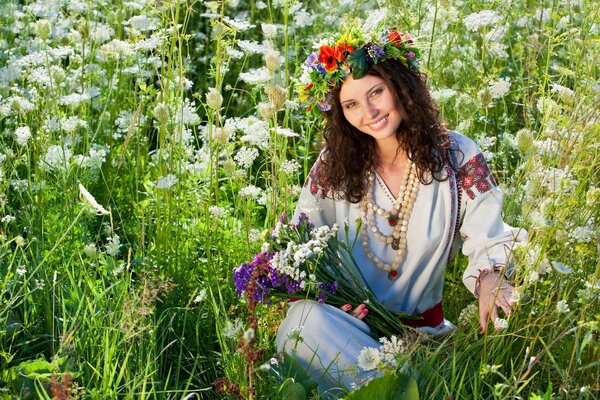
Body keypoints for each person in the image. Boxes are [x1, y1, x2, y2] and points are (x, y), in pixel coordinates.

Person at [275, 24, 526, 397]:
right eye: (352, 104)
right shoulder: (335, 164)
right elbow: (299, 245)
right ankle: (404, 389)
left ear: (400, 86)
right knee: (299, 323)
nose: (369, 112)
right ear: (340, 114)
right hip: (349, 329)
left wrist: (491, 279)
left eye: (377, 92)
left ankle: (397, 385)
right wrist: (329, 297)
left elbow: (488, 232)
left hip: (420, 337)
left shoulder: (455, 155)